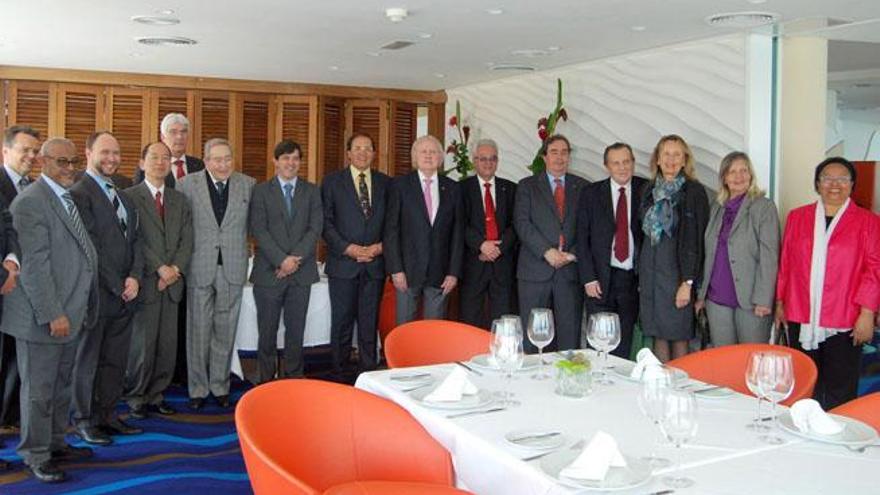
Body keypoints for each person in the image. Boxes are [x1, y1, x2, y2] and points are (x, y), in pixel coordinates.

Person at [1, 137, 98, 482]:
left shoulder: (65, 197)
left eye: (73, 162)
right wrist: (52, 313)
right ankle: (35, 453)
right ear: (43, 162)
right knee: (38, 391)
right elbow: (35, 268)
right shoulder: (31, 203)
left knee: (60, 386)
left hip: (69, 312)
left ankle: (56, 442)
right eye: (61, 162)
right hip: (42, 318)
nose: (69, 168)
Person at [776, 157, 880, 410]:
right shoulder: (797, 217)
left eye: (843, 179)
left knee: (839, 388)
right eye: (827, 178)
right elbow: (786, 262)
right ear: (817, 183)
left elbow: (874, 270)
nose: (835, 184)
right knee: (802, 384)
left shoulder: (868, 222)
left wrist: (867, 313)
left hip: (846, 316)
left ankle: (837, 439)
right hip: (801, 312)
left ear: (852, 184)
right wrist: (780, 301)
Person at [70, 132, 144, 445]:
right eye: (105, 152)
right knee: (88, 360)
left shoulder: (124, 194)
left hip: (126, 295)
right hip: (97, 295)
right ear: (88, 153)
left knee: (115, 360)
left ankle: (109, 415)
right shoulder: (79, 192)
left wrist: (135, 277)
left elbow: (137, 241)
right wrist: (117, 283)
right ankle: (85, 420)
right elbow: (90, 247)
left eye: (116, 152)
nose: (112, 158)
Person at [178, 138, 255, 410]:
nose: (223, 165)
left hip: (233, 266)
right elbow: (181, 226)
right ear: (206, 160)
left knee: (225, 330)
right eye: (217, 160)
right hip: (200, 265)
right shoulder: (187, 185)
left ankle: (220, 385)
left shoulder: (248, 184)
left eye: (227, 159)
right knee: (198, 330)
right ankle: (197, 388)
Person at [124, 141, 193, 418]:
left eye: (166, 158)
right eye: (154, 157)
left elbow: (188, 239)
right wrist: (159, 269)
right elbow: (133, 240)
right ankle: (136, 397)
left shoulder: (180, 200)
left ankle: (156, 394)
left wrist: (174, 269)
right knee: (143, 345)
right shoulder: (128, 197)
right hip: (147, 282)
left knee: (167, 346)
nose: (161, 162)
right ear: (142, 163)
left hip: (173, 283)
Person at [250, 139, 322, 382]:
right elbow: (258, 230)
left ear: (300, 162)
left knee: (295, 332)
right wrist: (281, 260)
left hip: (301, 274)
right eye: (285, 158)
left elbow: (315, 229)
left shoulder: (312, 191)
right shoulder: (260, 191)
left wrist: (293, 262)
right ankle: (265, 381)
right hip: (269, 274)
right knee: (267, 333)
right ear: (275, 161)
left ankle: (293, 380)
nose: (290, 163)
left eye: (295, 158)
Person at [695, 152, 779, 346]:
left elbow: (769, 256)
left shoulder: (763, 207)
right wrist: (701, 296)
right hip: (717, 299)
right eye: (732, 172)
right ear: (724, 177)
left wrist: (764, 299)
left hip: (751, 301)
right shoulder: (717, 207)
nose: (738, 176)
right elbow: (708, 255)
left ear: (751, 175)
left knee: (752, 359)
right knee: (724, 362)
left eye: (744, 170)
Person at [638, 134, 709, 362]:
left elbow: (697, 241)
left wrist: (687, 283)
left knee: (679, 336)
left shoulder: (694, 192)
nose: (671, 159)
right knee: (658, 334)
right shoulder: (648, 190)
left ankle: (679, 391)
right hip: (651, 277)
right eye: (666, 154)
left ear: (684, 159)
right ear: (657, 159)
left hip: (677, 278)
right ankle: (661, 392)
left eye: (677, 154)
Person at [514, 134, 588, 351]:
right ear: (544, 157)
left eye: (564, 152)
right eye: (554, 152)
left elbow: (588, 229)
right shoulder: (527, 186)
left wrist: (572, 254)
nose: (559, 157)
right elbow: (522, 223)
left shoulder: (583, 187)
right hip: (534, 272)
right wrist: (547, 251)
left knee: (569, 338)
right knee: (534, 338)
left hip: (569, 272)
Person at [321, 133, 388, 374]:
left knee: (369, 323)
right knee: (342, 323)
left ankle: (369, 374)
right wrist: (349, 249)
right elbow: (325, 224)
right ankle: (339, 373)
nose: (362, 152)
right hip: (343, 264)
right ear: (348, 153)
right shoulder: (331, 182)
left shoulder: (386, 183)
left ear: (374, 153)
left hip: (375, 264)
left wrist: (380, 247)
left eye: (367, 148)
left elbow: (393, 225)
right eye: (357, 148)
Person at [577, 142, 647, 358]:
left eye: (626, 162)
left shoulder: (647, 189)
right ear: (607, 166)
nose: (622, 167)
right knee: (599, 343)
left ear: (633, 163)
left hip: (631, 281)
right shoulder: (591, 193)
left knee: (624, 343)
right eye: (616, 163)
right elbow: (582, 238)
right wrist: (588, 278)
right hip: (599, 280)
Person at [384, 135, 463, 324]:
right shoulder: (400, 186)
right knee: (405, 330)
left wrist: (453, 272)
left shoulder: (452, 188)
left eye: (433, 151)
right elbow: (391, 231)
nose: (428, 155)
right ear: (414, 156)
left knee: (434, 332)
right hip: (407, 273)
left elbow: (457, 233)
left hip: (440, 273)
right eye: (423, 151)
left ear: (440, 157)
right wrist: (396, 270)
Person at [0, 125, 37, 431]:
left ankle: (9, 417)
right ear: (6, 151)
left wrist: (14, 263)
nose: (31, 156)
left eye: (34, 151)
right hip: (4, 285)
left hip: (25, 288)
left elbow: (17, 230)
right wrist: (6, 270)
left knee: (14, 357)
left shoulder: (33, 186)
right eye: (24, 149)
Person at [459, 139, 517, 328]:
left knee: (503, 323)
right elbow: (459, 224)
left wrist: (498, 248)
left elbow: (516, 224)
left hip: (502, 264)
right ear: (474, 161)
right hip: (473, 264)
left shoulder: (510, 188)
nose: (488, 163)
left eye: (492, 159)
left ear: (497, 161)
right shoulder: (460, 189)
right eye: (482, 159)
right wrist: (481, 245)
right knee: (470, 320)